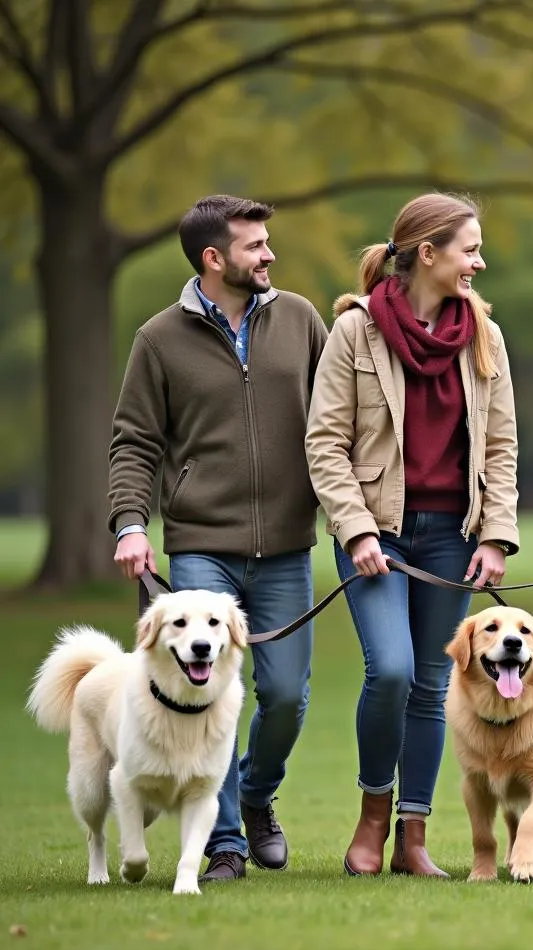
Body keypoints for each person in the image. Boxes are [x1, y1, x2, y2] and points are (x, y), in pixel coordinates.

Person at [109, 194, 328, 883]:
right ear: (214, 258)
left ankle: (257, 797)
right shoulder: (158, 339)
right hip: (201, 543)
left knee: (287, 695)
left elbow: (339, 422)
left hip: (289, 543)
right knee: (213, 696)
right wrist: (131, 525)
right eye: (255, 244)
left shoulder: (299, 320)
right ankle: (225, 843)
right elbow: (134, 443)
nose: (269, 254)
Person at [305, 192, 519, 878]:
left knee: (432, 682)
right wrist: (356, 530)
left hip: (453, 536)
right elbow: (325, 443)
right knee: (391, 669)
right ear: (427, 253)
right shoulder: (355, 331)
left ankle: (413, 838)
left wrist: (495, 536)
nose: (480, 263)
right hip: (378, 533)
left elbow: (502, 448)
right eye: (470, 249)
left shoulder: (485, 334)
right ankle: (372, 818)